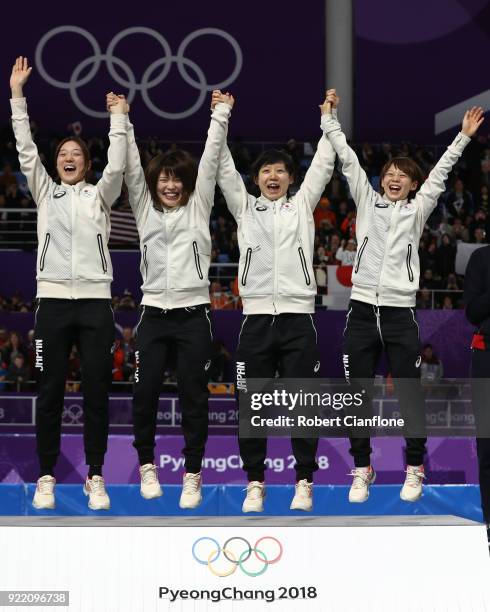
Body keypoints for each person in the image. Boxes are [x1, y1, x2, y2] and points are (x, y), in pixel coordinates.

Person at [323, 103, 484, 503]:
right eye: (390, 175)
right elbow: (346, 159)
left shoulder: (418, 209)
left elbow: (442, 172)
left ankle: (415, 467)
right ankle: (362, 468)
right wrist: (329, 121)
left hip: (399, 314)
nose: (395, 179)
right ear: (382, 181)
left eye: (403, 176)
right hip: (361, 312)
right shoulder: (366, 200)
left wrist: (462, 136)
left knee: (409, 394)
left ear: (413, 185)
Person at [10, 57, 127, 511]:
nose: (68, 159)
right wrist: (18, 97)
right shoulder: (44, 191)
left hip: (96, 305)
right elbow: (25, 150)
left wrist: (118, 119)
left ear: (86, 163)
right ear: (55, 164)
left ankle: (95, 476)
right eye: (62, 155)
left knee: (98, 391)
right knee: (50, 391)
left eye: (76, 154)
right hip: (53, 303)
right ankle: (45, 477)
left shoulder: (100, 195)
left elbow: (117, 168)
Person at [106, 89, 232, 509]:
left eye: (178, 179)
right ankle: (147, 466)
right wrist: (121, 119)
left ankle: (192, 474)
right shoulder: (143, 209)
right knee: (145, 395)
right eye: (165, 178)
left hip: (194, 317)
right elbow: (133, 168)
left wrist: (220, 115)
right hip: (153, 317)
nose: (171, 184)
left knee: (195, 395)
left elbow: (212, 160)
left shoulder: (199, 207)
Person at [216, 89, 339, 512]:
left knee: (303, 402)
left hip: (298, 319)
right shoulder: (244, 209)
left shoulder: (302, 206)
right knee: (250, 403)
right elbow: (222, 167)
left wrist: (328, 121)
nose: (273, 176)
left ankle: (304, 481)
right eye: (266, 171)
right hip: (254, 322)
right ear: (257, 180)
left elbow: (324, 164)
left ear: (290, 178)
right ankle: (255, 483)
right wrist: (221, 115)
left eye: (280, 171)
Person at [464, 245, 490, 546]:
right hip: (486, 357)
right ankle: (488, 522)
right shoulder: (481, 258)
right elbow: (472, 311)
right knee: (488, 444)